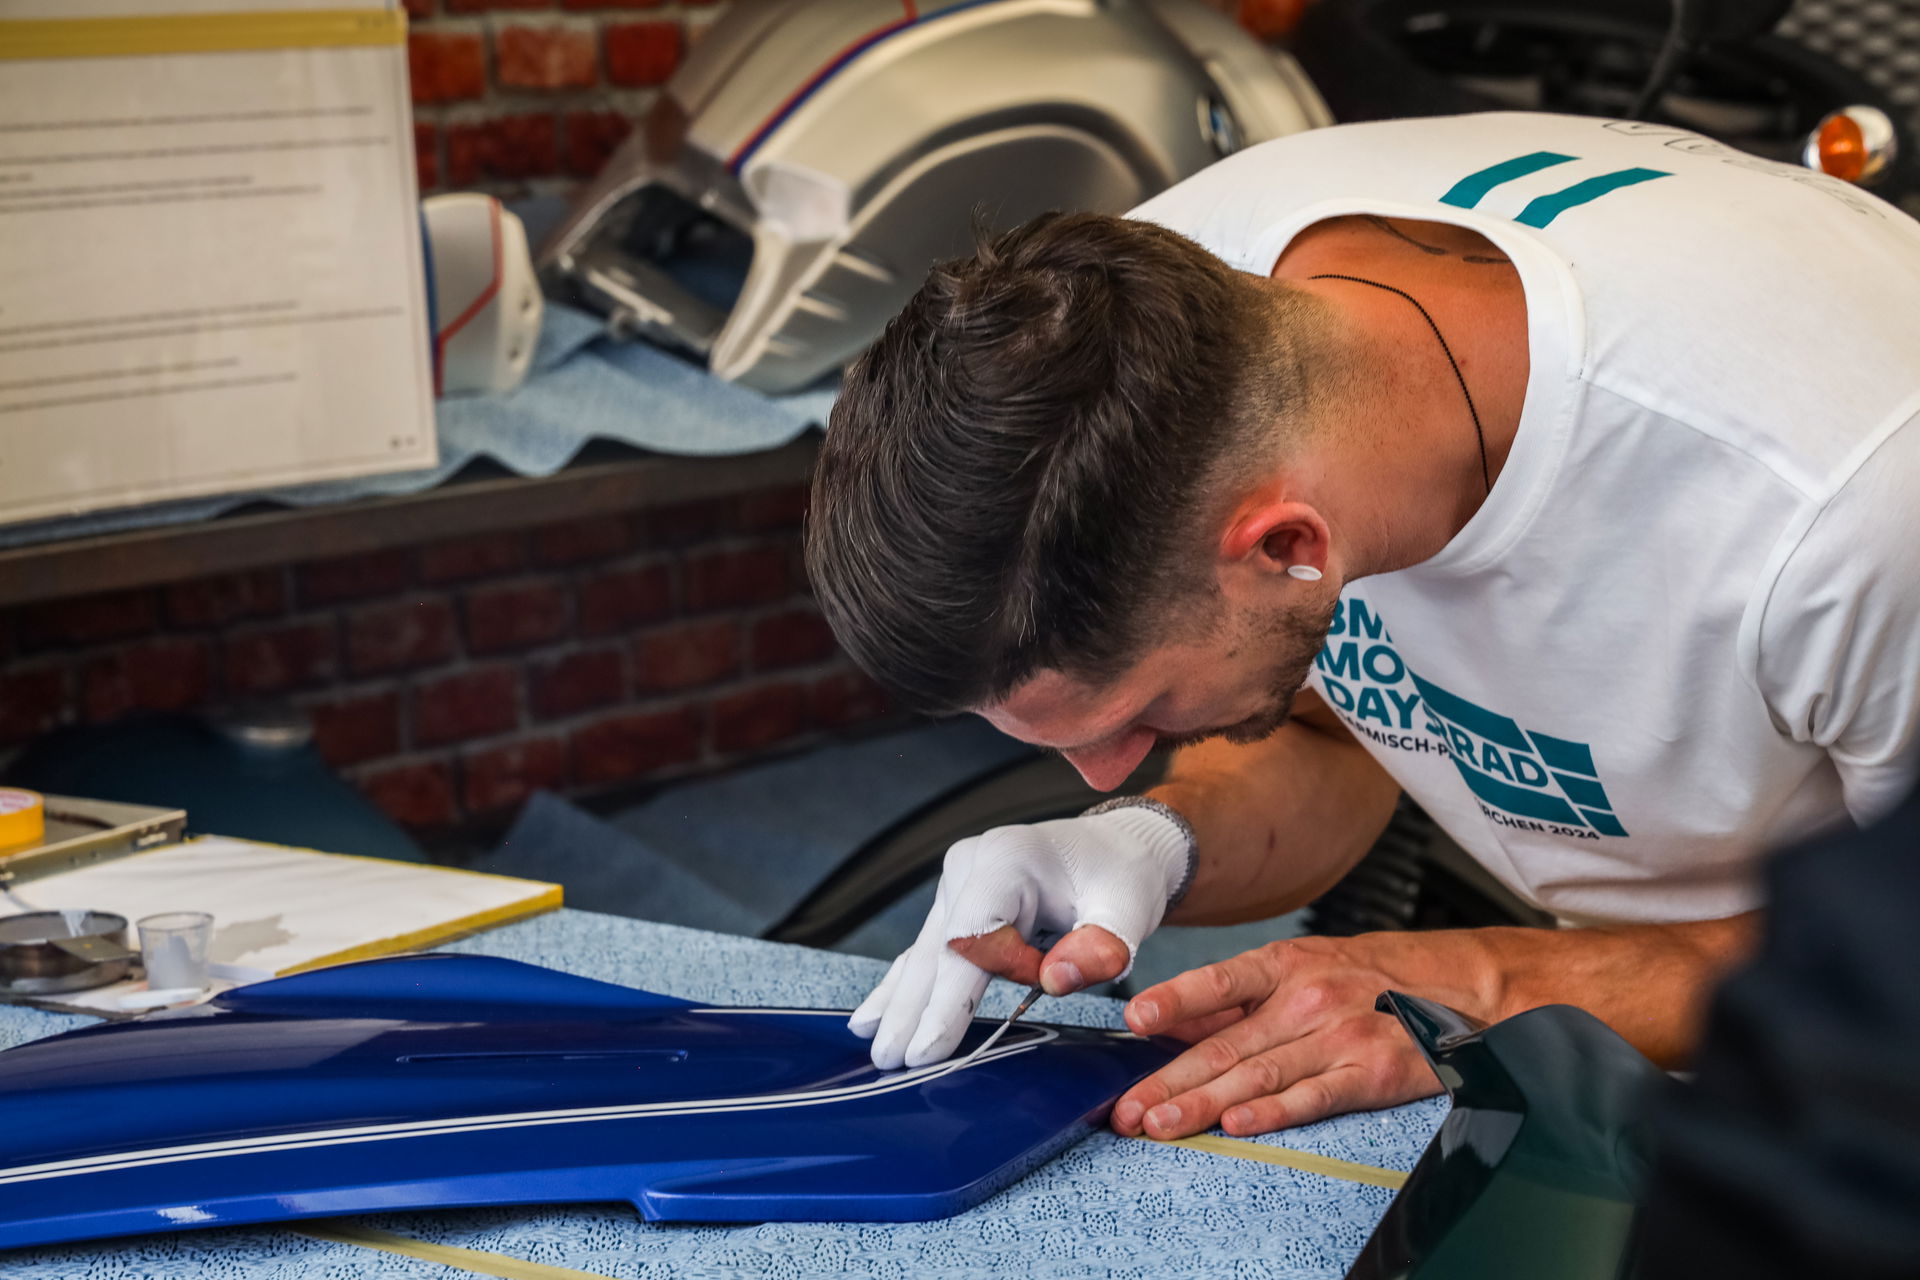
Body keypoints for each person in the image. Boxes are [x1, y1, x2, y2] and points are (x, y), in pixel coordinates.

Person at [804, 112, 1920, 1139]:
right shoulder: (1149, 331)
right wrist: (1145, 843)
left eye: (1137, 711)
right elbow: (1351, 735)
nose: (1102, 773)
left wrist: (1489, 985)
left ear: (1289, 546)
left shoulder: (1848, 511)